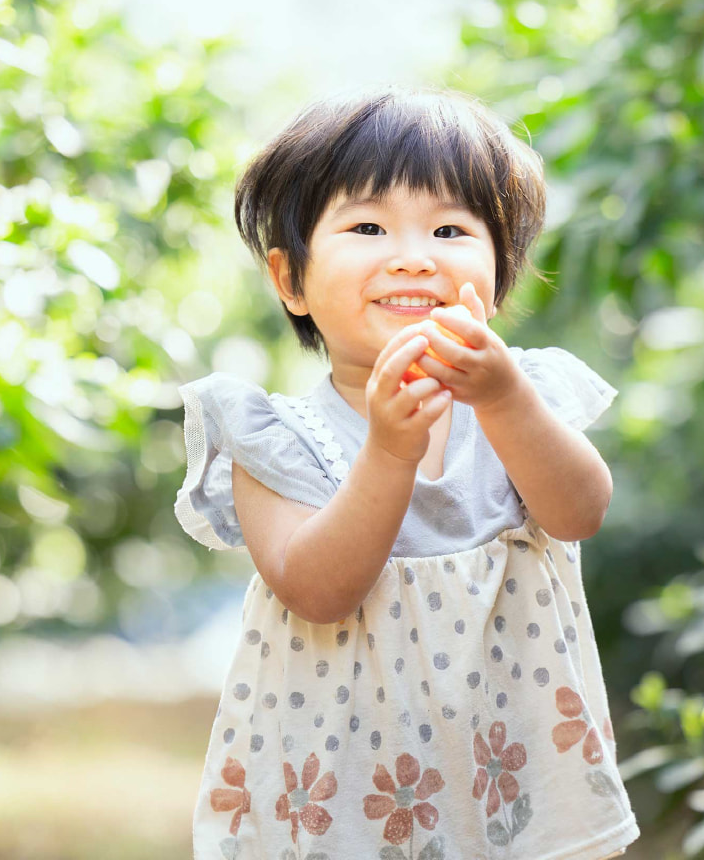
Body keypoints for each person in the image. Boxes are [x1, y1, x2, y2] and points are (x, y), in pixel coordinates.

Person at [175, 85, 639, 859]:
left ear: (500, 271)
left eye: (451, 228)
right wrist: (387, 452)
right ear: (290, 280)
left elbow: (581, 511)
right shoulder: (275, 439)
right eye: (367, 226)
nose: (414, 255)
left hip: (512, 772)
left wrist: (505, 399)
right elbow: (318, 590)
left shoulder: (522, 400)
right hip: (348, 792)